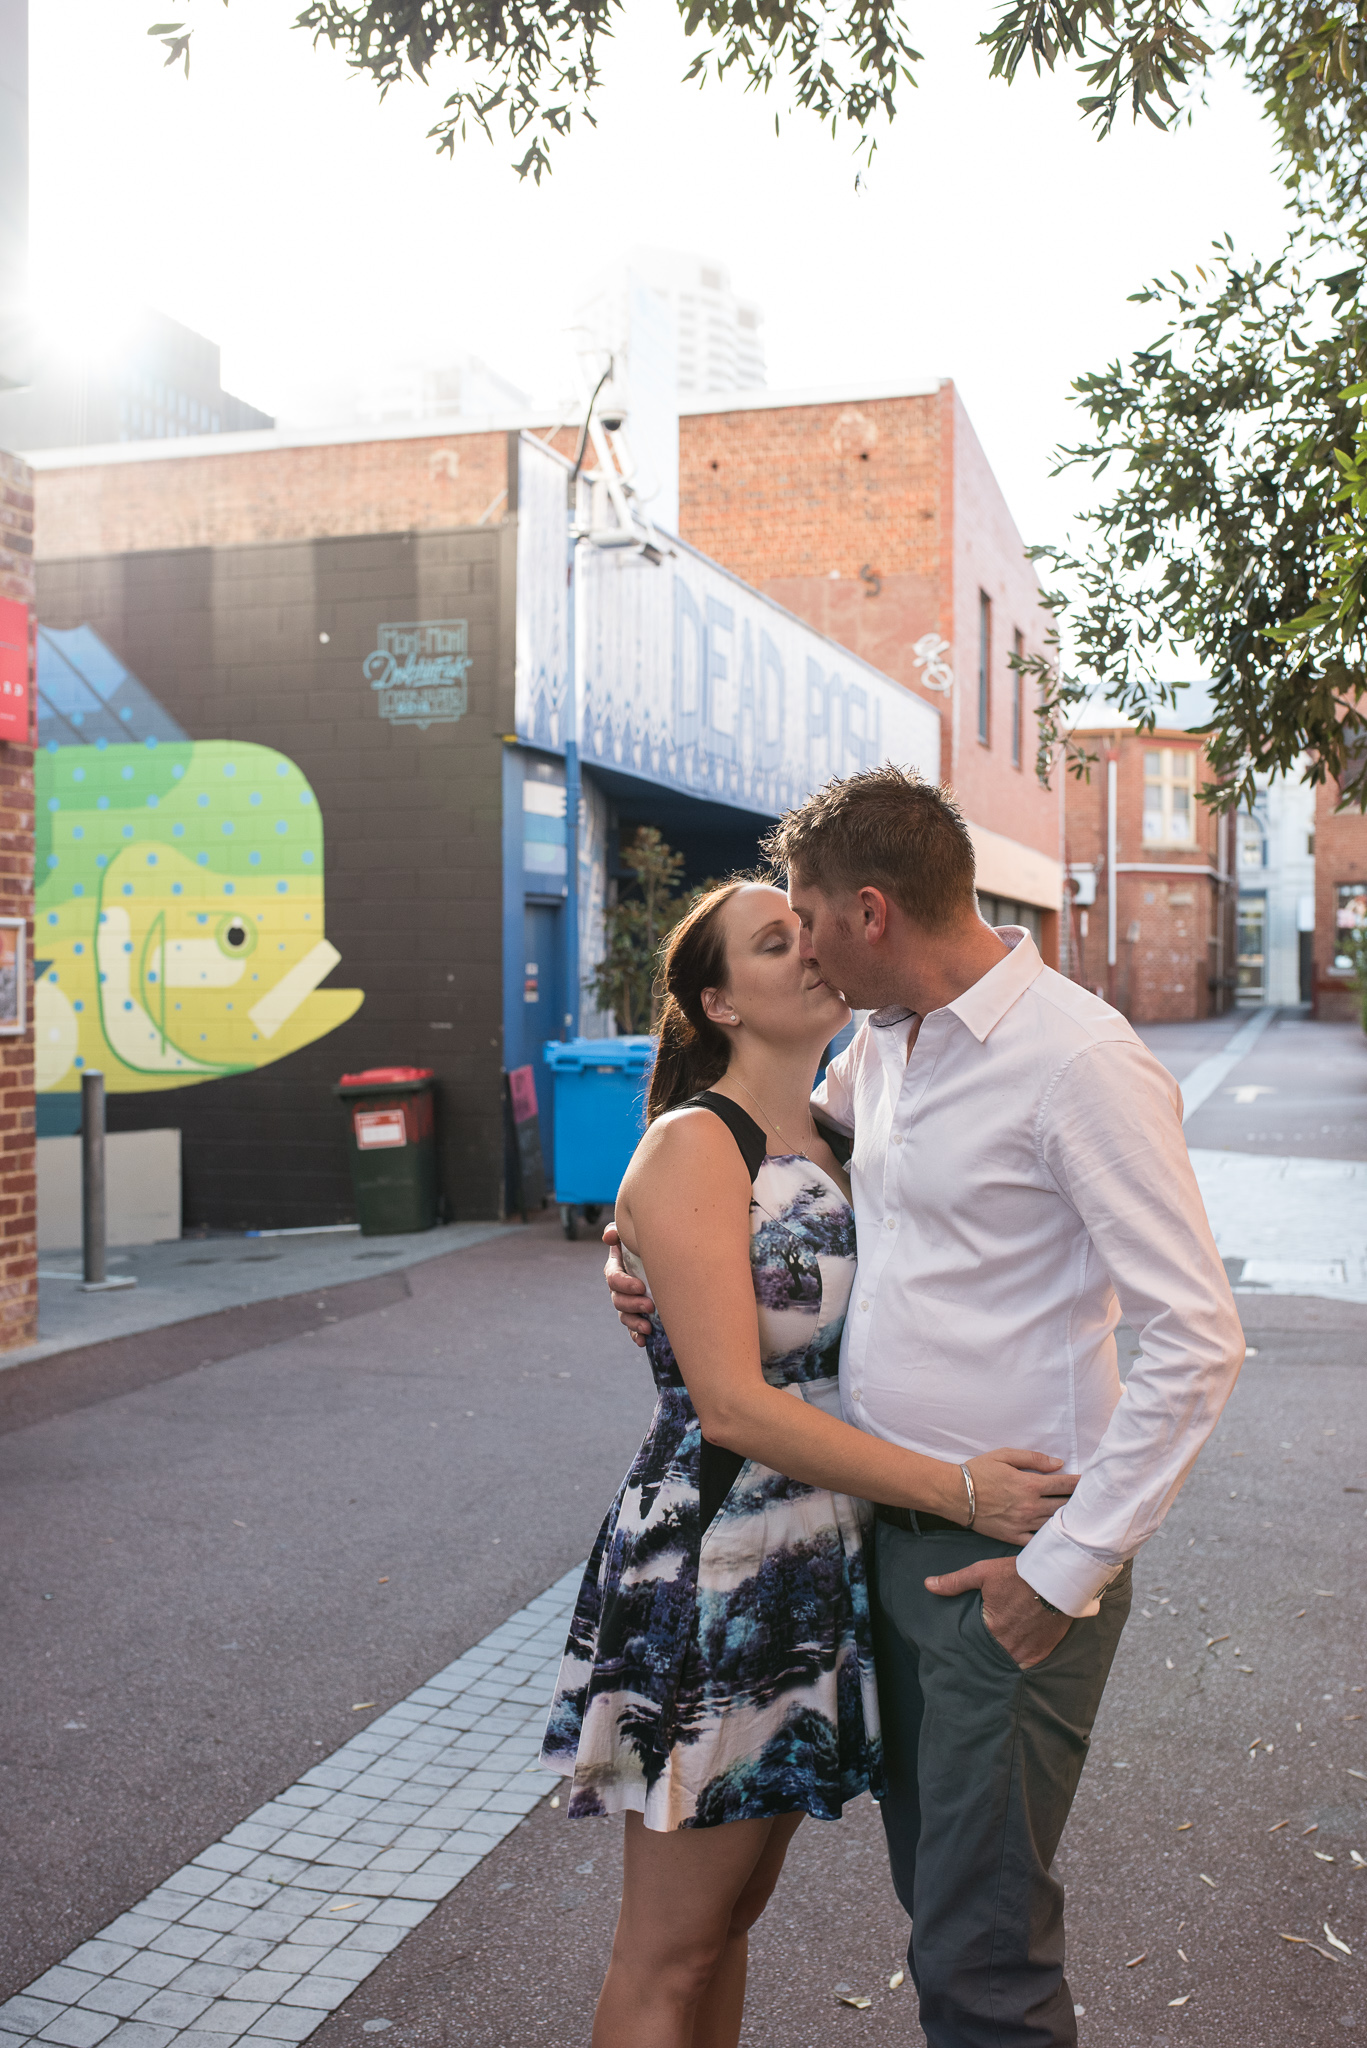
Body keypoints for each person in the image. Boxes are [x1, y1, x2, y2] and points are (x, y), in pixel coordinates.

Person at [606, 768, 1245, 2048]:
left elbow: (1197, 1338)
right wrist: (635, 1257)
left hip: (998, 1558)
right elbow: (754, 1175)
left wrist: (1057, 1566)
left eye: (804, 916)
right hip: (867, 1540)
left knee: (978, 1945)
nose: (806, 943)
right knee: (934, 1907)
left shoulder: (1076, 1062)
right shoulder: (881, 1050)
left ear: (872, 911)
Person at [544, 875, 1078, 2048]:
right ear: (718, 1001)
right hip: (721, 1557)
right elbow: (731, 1404)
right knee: (667, 1945)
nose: (808, 951)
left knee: (731, 1916)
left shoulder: (840, 1128)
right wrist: (960, 1488)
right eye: (772, 942)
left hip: (819, 1552)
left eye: (806, 929)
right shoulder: (694, 1141)